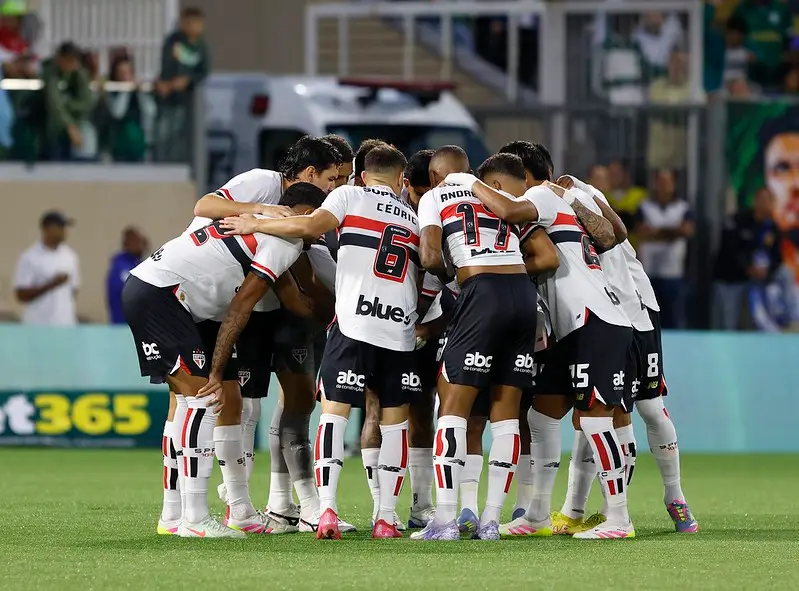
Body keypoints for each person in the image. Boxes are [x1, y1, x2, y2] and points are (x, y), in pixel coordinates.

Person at [220, 145, 418, 540]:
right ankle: (386, 517)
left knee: (333, 415)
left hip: (353, 324)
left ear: (362, 175)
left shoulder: (350, 196)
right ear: (401, 181)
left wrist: (254, 224)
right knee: (395, 423)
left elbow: (308, 227)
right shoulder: (412, 217)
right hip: (399, 329)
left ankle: (325, 511)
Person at [124, 182, 326, 539]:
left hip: (186, 304)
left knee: (206, 400)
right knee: (202, 398)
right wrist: (215, 371)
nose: (322, 230)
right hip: (163, 295)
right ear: (305, 214)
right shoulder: (284, 240)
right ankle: (194, 518)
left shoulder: (262, 226)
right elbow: (241, 306)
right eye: (320, 220)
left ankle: (178, 514)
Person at [456, 144, 635, 540]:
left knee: (595, 419)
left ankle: (620, 518)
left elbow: (507, 210)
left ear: (500, 184)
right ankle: (536, 514)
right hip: (566, 327)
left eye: (487, 189)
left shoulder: (537, 195)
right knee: (541, 415)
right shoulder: (554, 202)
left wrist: (466, 182)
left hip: (594, 320)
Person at [408, 146, 538, 542]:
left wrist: (456, 279)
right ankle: (492, 521)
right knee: (506, 411)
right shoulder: (493, 192)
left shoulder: (433, 197)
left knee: (452, 407)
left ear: (433, 177)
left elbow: (430, 256)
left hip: (481, 291)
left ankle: (445, 519)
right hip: (522, 294)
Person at [713, 187, 783, 330]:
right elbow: (730, 250)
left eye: (769, 200)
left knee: (759, 321)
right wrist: (748, 267)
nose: (765, 204)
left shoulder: (772, 226)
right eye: (762, 200)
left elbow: (777, 256)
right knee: (729, 323)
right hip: (731, 280)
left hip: (757, 281)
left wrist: (767, 272)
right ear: (755, 201)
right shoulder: (737, 220)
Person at [635, 169, 695, 329]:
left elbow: (687, 231)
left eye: (667, 182)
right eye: (660, 182)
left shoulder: (683, 208)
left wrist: (656, 232)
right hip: (648, 274)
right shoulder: (644, 207)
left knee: (674, 320)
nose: (663, 186)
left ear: (674, 184)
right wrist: (673, 232)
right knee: (648, 321)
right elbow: (641, 232)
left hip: (673, 274)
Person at [154, 6, 210, 163]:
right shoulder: (173, 42)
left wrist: (188, 80)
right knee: (164, 135)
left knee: (183, 137)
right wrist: (167, 84)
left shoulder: (201, 48)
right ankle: (162, 165)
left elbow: (203, 72)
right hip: (169, 99)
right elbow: (166, 66)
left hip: (189, 102)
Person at [14, 211, 80, 326]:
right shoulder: (30, 257)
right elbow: (21, 294)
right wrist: (51, 284)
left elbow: (74, 290)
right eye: (60, 227)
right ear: (47, 229)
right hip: (38, 326)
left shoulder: (70, 256)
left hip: (65, 326)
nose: (65, 231)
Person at [41, 41, 93, 161]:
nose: (73, 63)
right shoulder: (50, 72)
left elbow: (86, 102)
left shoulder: (80, 74)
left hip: (77, 120)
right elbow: (54, 103)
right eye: (69, 59)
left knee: (87, 132)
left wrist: (68, 105)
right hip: (53, 123)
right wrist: (70, 126)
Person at [106, 56, 156, 162]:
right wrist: (125, 90)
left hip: (139, 146)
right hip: (120, 147)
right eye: (121, 73)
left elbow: (151, 111)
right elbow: (117, 113)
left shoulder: (139, 92)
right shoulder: (112, 92)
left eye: (127, 72)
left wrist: (140, 92)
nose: (124, 76)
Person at [106, 227, 148, 324]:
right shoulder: (121, 268)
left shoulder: (136, 264)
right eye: (138, 241)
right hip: (123, 327)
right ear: (128, 243)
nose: (142, 245)